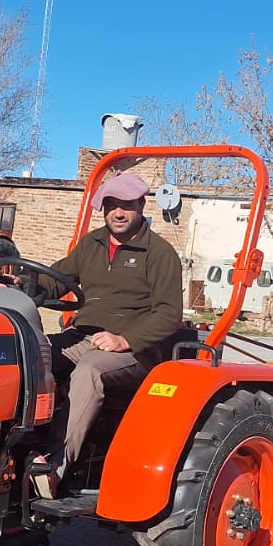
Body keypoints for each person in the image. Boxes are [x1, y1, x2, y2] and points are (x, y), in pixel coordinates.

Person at [31, 171, 183, 498]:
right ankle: (11, 450)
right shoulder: (92, 243)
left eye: (127, 205)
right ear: (103, 208)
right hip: (83, 337)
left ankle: (54, 466)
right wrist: (23, 283)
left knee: (90, 371)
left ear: (141, 205)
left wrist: (124, 340)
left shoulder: (159, 253)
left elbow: (170, 314)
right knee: (30, 352)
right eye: (112, 204)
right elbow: (57, 279)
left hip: (135, 351)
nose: (118, 212)